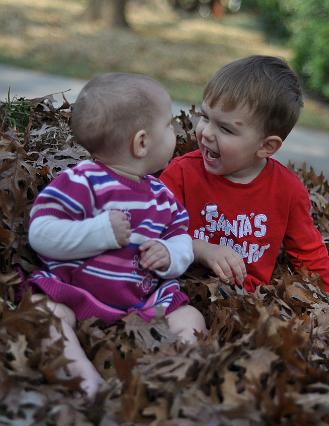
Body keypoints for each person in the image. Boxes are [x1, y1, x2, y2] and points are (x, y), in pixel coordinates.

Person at [28, 73, 206, 398]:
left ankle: (172, 380)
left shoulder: (161, 196)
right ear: (141, 143)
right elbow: (42, 233)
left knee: (189, 316)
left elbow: (181, 239)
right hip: (76, 293)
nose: (175, 133)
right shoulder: (82, 182)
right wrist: (100, 233)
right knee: (44, 313)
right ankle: (84, 380)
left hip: (142, 301)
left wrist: (169, 255)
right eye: (168, 126)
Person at [160, 55, 329, 297]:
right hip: (181, 288)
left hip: (244, 304)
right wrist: (202, 250)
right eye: (205, 117)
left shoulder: (286, 190)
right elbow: (152, 230)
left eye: (225, 129)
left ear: (266, 146)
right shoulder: (182, 173)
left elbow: (309, 254)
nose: (206, 133)